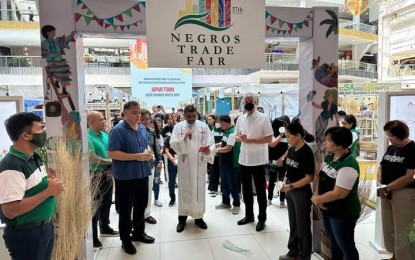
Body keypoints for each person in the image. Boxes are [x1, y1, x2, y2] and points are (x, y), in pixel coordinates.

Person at [0, 112, 63, 260]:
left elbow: (30, 190)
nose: (44, 132)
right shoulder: (11, 166)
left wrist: (50, 182)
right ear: (26, 136)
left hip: (43, 228)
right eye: (41, 128)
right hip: (27, 235)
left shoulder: (33, 157)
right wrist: (48, 191)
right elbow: (11, 210)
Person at [107, 101, 155, 255]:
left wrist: (148, 154)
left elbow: (145, 147)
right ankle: (125, 240)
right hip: (126, 178)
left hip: (142, 174)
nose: (138, 115)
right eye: (134, 112)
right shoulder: (118, 130)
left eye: (139, 112)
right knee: (126, 211)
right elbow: (112, 153)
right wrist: (137, 157)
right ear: (125, 113)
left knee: (141, 206)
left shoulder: (142, 128)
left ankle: (138, 233)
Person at [311, 127, 361, 260]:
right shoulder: (329, 156)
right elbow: (320, 177)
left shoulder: (349, 164)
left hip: (343, 212)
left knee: (345, 245)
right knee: (334, 243)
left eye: (328, 140)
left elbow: (340, 193)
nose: (325, 143)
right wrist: (317, 194)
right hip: (328, 208)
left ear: (339, 144)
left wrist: (318, 199)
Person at [170, 105, 215, 233]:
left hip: (199, 163)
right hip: (185, 163)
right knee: (185, 189)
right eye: (188, 116)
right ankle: (182, 219)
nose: (191, 119)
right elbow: (173, 142)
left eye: (193, 116)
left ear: (196, 114)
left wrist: (208, 150)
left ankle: (199, 218)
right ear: (184, 115)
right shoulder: (178, 127)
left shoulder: (203, 126)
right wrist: (183, 137)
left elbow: (211, 142)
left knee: (198, 190)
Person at [377, 120, 415, 260]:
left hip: (404, 192)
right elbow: (382, 165)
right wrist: (380, 181)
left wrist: (389, 186)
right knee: (389, 227)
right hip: (386, 191)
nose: (389, 139)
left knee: (403, 229)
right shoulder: (391, 148)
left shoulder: (412, 149)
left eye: (391, 136)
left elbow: (409, 177)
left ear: (401, 135)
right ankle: (394, 255)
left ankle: (405, 257)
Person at [235, 93, 273, 232]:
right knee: (246, 190)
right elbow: (237, 137)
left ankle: (262, 218)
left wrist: (250, 140)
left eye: (250, 101)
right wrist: (242, 138)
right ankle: (249, 216)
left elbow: (269, 138)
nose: (248, 103)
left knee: (260, 191)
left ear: (255, 101)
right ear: (243, 102)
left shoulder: (263, 118)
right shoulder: (240, 119)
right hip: (244, 159)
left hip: (258, 160)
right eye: (246, 101)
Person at [279, 122, 315, 260]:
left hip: (301, 192)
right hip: (290, 190)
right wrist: (285, 181)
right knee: (293, 223)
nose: (287, 139)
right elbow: (289, 168)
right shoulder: (292, 149)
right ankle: (293, 251)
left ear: (299, 135)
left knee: (303, 225)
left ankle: (304, 255)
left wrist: (291, 186)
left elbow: (309, 177)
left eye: (289, 136)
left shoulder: (306, 152)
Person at [87, 111, 119, 249]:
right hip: (95, 175)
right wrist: (111, 161)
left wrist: (111, 164)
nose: (104, 121)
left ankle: (104, 227)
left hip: (107, 173)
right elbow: (92, 158)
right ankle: (93, 237)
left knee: (106, 202)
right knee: (94, 206)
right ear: (91, 123)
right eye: (101, 120)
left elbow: (112, 151)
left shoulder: (105, 135)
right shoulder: (87, 137)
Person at [140, 109, 163, 224]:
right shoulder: (134, 131)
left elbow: (156, 148)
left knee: (148, 190)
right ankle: (136, 216)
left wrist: (160, 160)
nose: (145, 121)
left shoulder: (151, 132)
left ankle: (147, 214)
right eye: (142, 119)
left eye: (147, 119)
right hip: (136, 167)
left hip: (149, 165)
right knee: (138, 193)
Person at [215, 115, 241, 214]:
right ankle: (225, 202)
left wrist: (216, 150)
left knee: (233, 184)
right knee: (224, 183)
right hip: (224, 161)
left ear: (225, 122)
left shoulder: (232, 132)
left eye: (221, 123)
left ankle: (236, 204)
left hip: (231, 162)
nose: (220, 125)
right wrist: (216, 145)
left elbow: (228, 148)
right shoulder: (226, 131)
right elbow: (224, 144)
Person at [268, 117, 289, 208]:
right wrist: (280, 135)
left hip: (283, 160)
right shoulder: (271, 134)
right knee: (272, 179)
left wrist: (282, 158)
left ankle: (282, 201)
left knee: (282, 179)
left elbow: (289, 148)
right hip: (272, 160)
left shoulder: (287, 135)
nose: (283, 127)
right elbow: (272, 144)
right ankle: (269, 199)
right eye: (282, 125)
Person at [207, 114, 222, 197]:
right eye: (217, 121)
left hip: (223, 152)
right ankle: (213, 188)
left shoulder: (225, 130)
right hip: (214, 152)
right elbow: (210, 140)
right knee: (213, 170)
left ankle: (223, 189)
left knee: (222, 171)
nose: (218, 123)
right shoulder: (214, 130)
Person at [164, 135, 178, 207]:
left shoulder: (184, 137)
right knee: (171, 181)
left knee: (184, 181)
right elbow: (166, 150)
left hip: (183, 161)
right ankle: (172, 198)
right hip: (171, 161)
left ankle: (184, 200)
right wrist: (172, 159)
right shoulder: (169, 138)